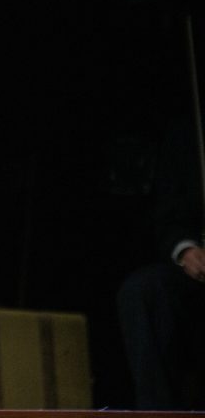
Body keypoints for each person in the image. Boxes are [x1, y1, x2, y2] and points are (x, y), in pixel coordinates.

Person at [117, 114, 205, 409]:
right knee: (143, 292)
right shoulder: (189, 129)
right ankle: (158, 412)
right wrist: (186, 250)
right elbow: (171, 216)